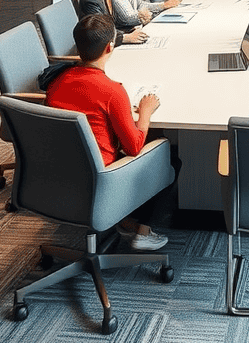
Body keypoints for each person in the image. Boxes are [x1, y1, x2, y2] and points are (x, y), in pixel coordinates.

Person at [45, 13, 170, 250]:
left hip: (56, 175)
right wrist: (145, 112)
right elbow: (133, 147)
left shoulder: (57, 82)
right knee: (168, 152)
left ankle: (123, 220)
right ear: (110, 47)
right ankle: (140, 230)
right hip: (102, 178)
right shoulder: (112, 91)